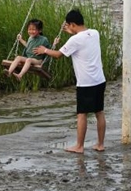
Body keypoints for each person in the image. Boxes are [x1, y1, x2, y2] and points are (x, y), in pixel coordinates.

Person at [34, 9, 106, 153]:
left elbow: (59, 54)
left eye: (69, 25)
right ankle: (100, 144)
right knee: (99, 112)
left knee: (82, 114)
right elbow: (79, 39)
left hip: (86, 83)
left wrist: (45, 51)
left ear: (72, 24)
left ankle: (79, 146)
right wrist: (72, 32)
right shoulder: (94, 33)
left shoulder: (75, 40)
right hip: (99, 79)